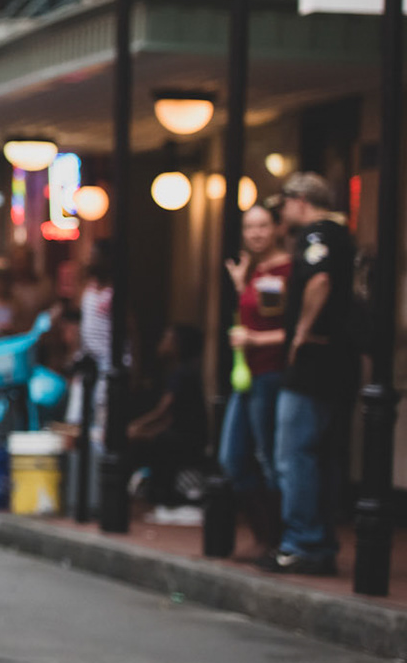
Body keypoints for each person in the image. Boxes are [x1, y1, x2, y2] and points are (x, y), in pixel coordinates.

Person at [263, 173, 357, 576]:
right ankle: (318, 543)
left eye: (283, 204)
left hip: (314, 364)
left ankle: (302, 541)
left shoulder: (318, 235)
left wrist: (300, 332)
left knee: (295, 454)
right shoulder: (341, 234)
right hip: (335, 364)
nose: (281, 213)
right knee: (320, 456)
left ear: (300, 200)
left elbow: (320, 280)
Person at [221, 203, 289, 554]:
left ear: (276, 228)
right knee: (232, 457)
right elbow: (256, 314)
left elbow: (288, 328)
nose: (256, 233)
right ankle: (263, 536)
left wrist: (255, 340)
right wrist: (240, 285)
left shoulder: (286, 269)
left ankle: (275, 541)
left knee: (269, 457)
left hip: (271, 373)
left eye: (263, 225)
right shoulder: (254, 269)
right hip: (246, 375)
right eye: (249, 227)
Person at [127, 324, 209, 511]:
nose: (162, 343)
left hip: (187, 438)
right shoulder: (176, 372)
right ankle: (152, 491)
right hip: (180, 434)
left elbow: (163, 411)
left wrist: (135, 427)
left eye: (167, 339)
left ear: (178, 345)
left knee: (150, 443)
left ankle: (157, 493)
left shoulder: (182, 374)